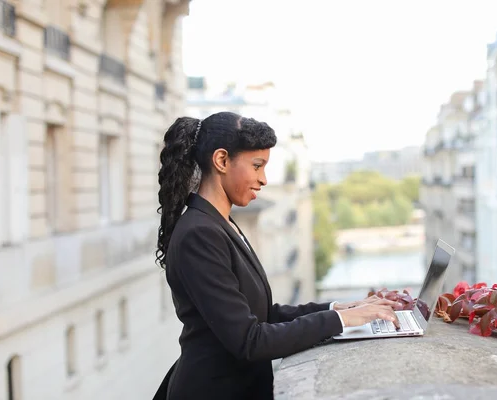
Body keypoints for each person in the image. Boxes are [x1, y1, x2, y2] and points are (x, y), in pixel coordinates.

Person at [153, 112, 401, 400]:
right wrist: (341, 321)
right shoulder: (199, 234)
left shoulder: (221, 224)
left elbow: (265, 314)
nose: (264, 179)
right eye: (257, 166)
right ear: (221, 161)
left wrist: (342, 308)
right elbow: (250, 340)